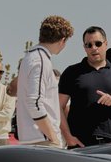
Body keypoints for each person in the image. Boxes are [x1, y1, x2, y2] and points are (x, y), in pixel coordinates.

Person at [59, 26, 111, 148]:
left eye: (98, 43)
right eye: (88, 45)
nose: (93, 48)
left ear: (106, 44)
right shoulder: (71, 72)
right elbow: (58, 107)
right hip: (80, 145)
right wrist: (67, 137)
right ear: (84, 48)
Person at [16, 15, 73, 147]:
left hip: (34, 137)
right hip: (42, 138)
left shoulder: (30, 57)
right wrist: (53, 137)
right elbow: (34, 102)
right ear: (62, 40)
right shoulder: (40, 60)